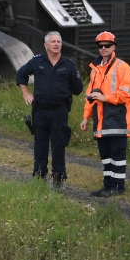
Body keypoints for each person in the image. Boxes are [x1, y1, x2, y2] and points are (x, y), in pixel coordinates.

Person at [16, 30, 84, 190]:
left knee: (58, 145)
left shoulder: (68, 65)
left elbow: (78, 88)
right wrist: (26, 93)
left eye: (58, 42)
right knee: (40, 144)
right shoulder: (37, 62)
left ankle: (58, 178)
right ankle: (39, 176)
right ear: (46, 45)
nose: (56, 44)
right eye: (53, 42)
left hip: (59, 112)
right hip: (40, 111)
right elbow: (21, 75)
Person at [81, 31, 130, 197]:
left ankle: (118, 187)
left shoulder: (122, 67)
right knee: (105, 156)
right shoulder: (95, 69)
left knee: (117, 155)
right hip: (100, 120)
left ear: (114, 47)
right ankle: (107, 186)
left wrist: (106, 98)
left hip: (118, 118)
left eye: (107, 45)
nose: (103, 48)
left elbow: (127, 93)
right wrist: (86, 117)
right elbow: (90, 96)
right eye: (100, 46)